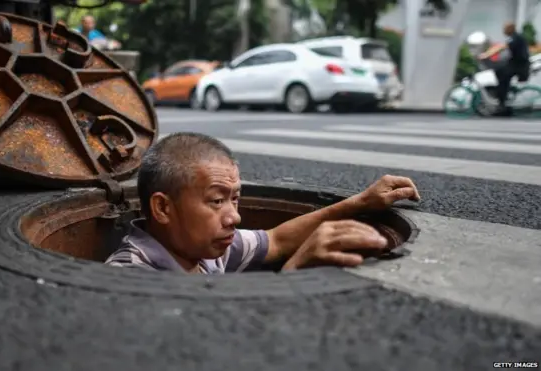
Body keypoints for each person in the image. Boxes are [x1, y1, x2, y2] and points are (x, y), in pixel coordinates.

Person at [105, 132, 421, 273]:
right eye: (217, 201)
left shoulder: (204, 249)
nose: (234, 218)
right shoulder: (127, 276)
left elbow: (277, 239)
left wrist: (362, 201)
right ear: (163, 208)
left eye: (235, 199)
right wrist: (295, 273)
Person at [479, 22, 531, 115]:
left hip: (519, 66)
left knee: (502, 77)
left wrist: (486, 54)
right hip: (516, 64)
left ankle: (502, 104)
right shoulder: (515, 37)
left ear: (509, 29)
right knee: (500, 71)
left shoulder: (515, 38)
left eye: (505, 28)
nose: (503, 31)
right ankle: (502, 96)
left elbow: (501, 47)